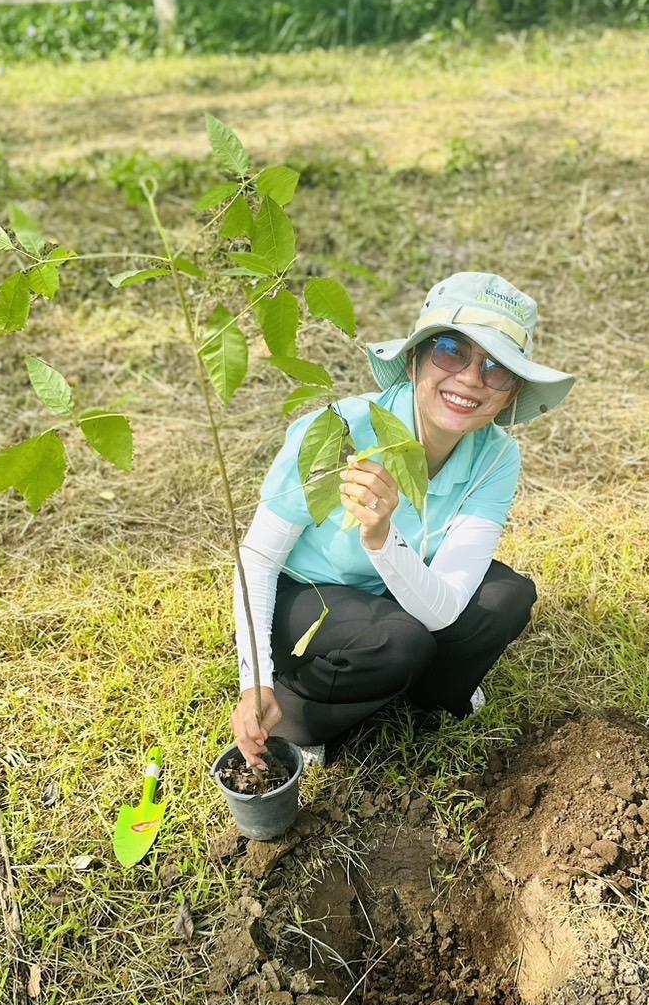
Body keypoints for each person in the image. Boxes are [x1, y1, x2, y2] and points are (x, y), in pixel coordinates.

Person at [229, 272, 575, 768]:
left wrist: (381, 536)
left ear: (511, 394)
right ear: (414, 361)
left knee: (506, 597)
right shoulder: (340, 432)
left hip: (403, 585)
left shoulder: (497, 457)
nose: (471, 380)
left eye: (496, 368)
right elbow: (258, 560)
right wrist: (255, 678)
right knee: (396, 638)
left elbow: (445, 608)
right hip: (309, 597)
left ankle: (420, 695)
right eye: (452, 351)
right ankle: (300, 715)